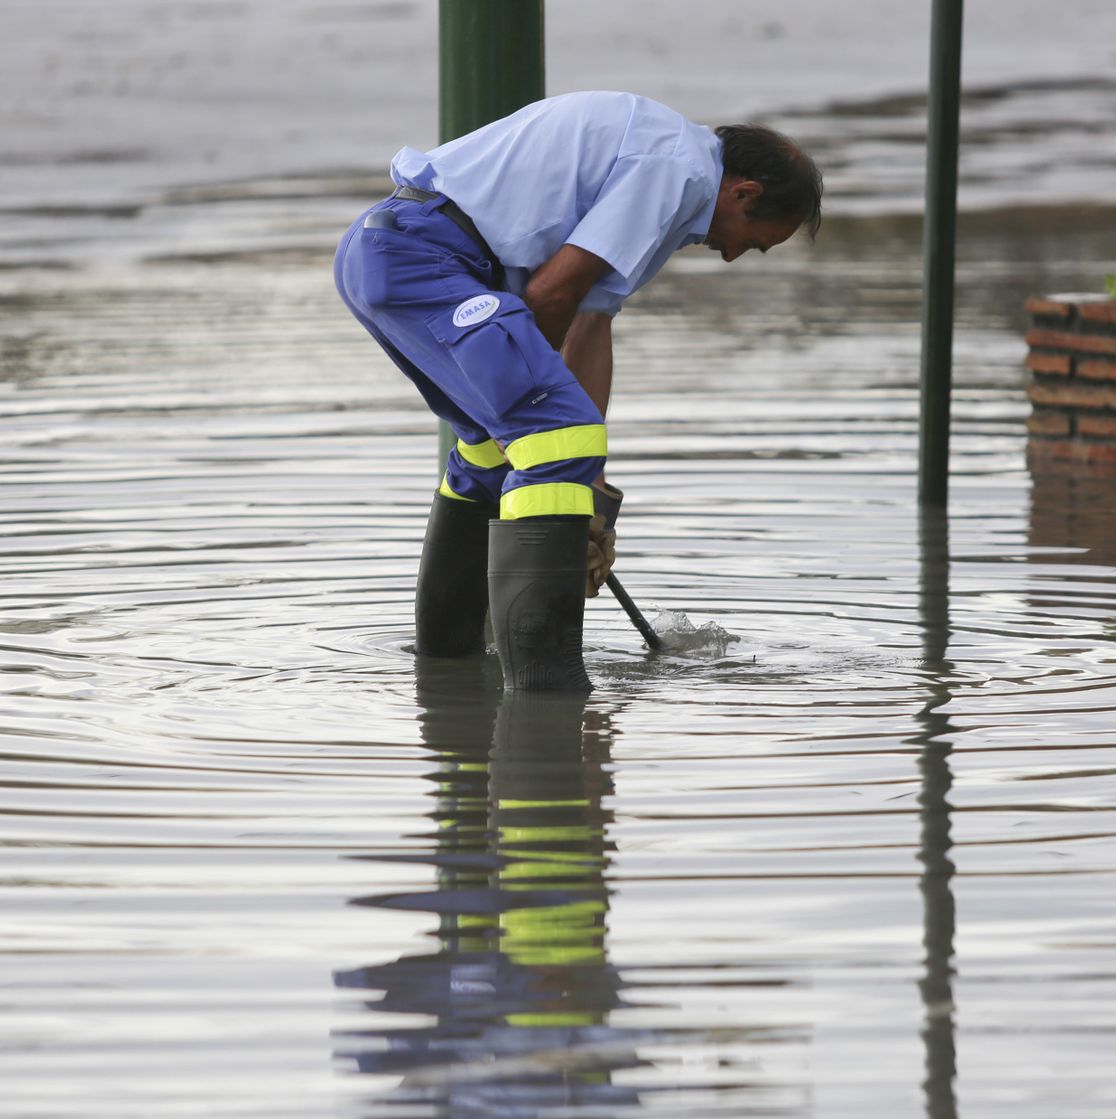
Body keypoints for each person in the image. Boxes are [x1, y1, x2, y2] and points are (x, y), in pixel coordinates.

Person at [333, 90, 822, 693]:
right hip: (423, 259)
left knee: (493, 452)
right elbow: (549, 297)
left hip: (387, 253)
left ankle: (445, 674)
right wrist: (563, 472)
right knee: (555, 442)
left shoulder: (675, 172)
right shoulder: (677, 171)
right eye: (752, 240)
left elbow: (591, 320)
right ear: (742, 193)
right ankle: (548, 702)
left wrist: (587, 492)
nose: (730, 256)